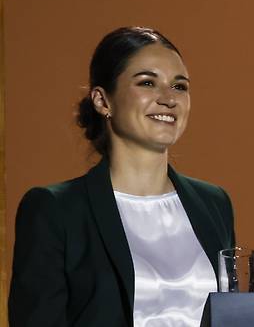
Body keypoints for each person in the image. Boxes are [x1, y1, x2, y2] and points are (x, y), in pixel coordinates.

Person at [9, 27, 235, 326]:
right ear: (103, 101)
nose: (168, 98)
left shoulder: (214, 203)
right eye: (147, 83)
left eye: (179, 86)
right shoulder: (55, 210)